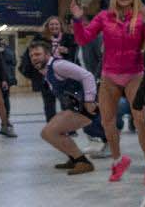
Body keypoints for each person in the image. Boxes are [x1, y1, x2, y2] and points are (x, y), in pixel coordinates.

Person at [72, 0, 145, 183]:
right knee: (107, 122)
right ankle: (118, 161)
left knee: (141, 123)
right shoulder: (103, 16)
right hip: (109, 75)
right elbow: (83, 39)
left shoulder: (139, 18)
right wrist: (77, 19)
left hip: (134, 74)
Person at [26, 39, 98, 174]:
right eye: (32, 56)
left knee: (49, 132)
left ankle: (83, 162)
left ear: (47, 55)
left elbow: (87, 76)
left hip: (86, 107)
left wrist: (89, 100)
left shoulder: (59, 65)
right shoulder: (46, 70)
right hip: (75, 107)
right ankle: (74, 158)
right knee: (48, 133)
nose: (34, 58)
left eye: (38, 54)